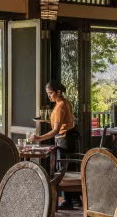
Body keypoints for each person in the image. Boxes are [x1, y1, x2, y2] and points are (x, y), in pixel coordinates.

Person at [29, 80, 80, 209]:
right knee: (68, 167)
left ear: (58, 92)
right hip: (69, 138)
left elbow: (56, 130)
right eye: (48, 93)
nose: (49, 96)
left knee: (62, 169)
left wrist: (39, 138)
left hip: (64, 139)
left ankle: (68, 201)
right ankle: (74, 199)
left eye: (51, 93)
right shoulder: (65, 102)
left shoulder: (60, 106)